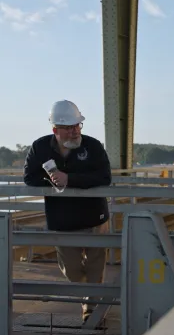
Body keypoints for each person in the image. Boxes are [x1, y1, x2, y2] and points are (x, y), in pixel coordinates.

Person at [24, 100, 112, 323]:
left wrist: (69, 179)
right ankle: (90, 295)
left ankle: (91, 311)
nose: (75, 132)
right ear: (55, 130)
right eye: (69, 127)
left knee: (95, 267)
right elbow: (29, 177)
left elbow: (104, 177)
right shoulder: (40, 147)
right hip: (62, 220)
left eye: (77, 126)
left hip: (94, 217)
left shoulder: (92, 146)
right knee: (71, 270)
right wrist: (50, 179)